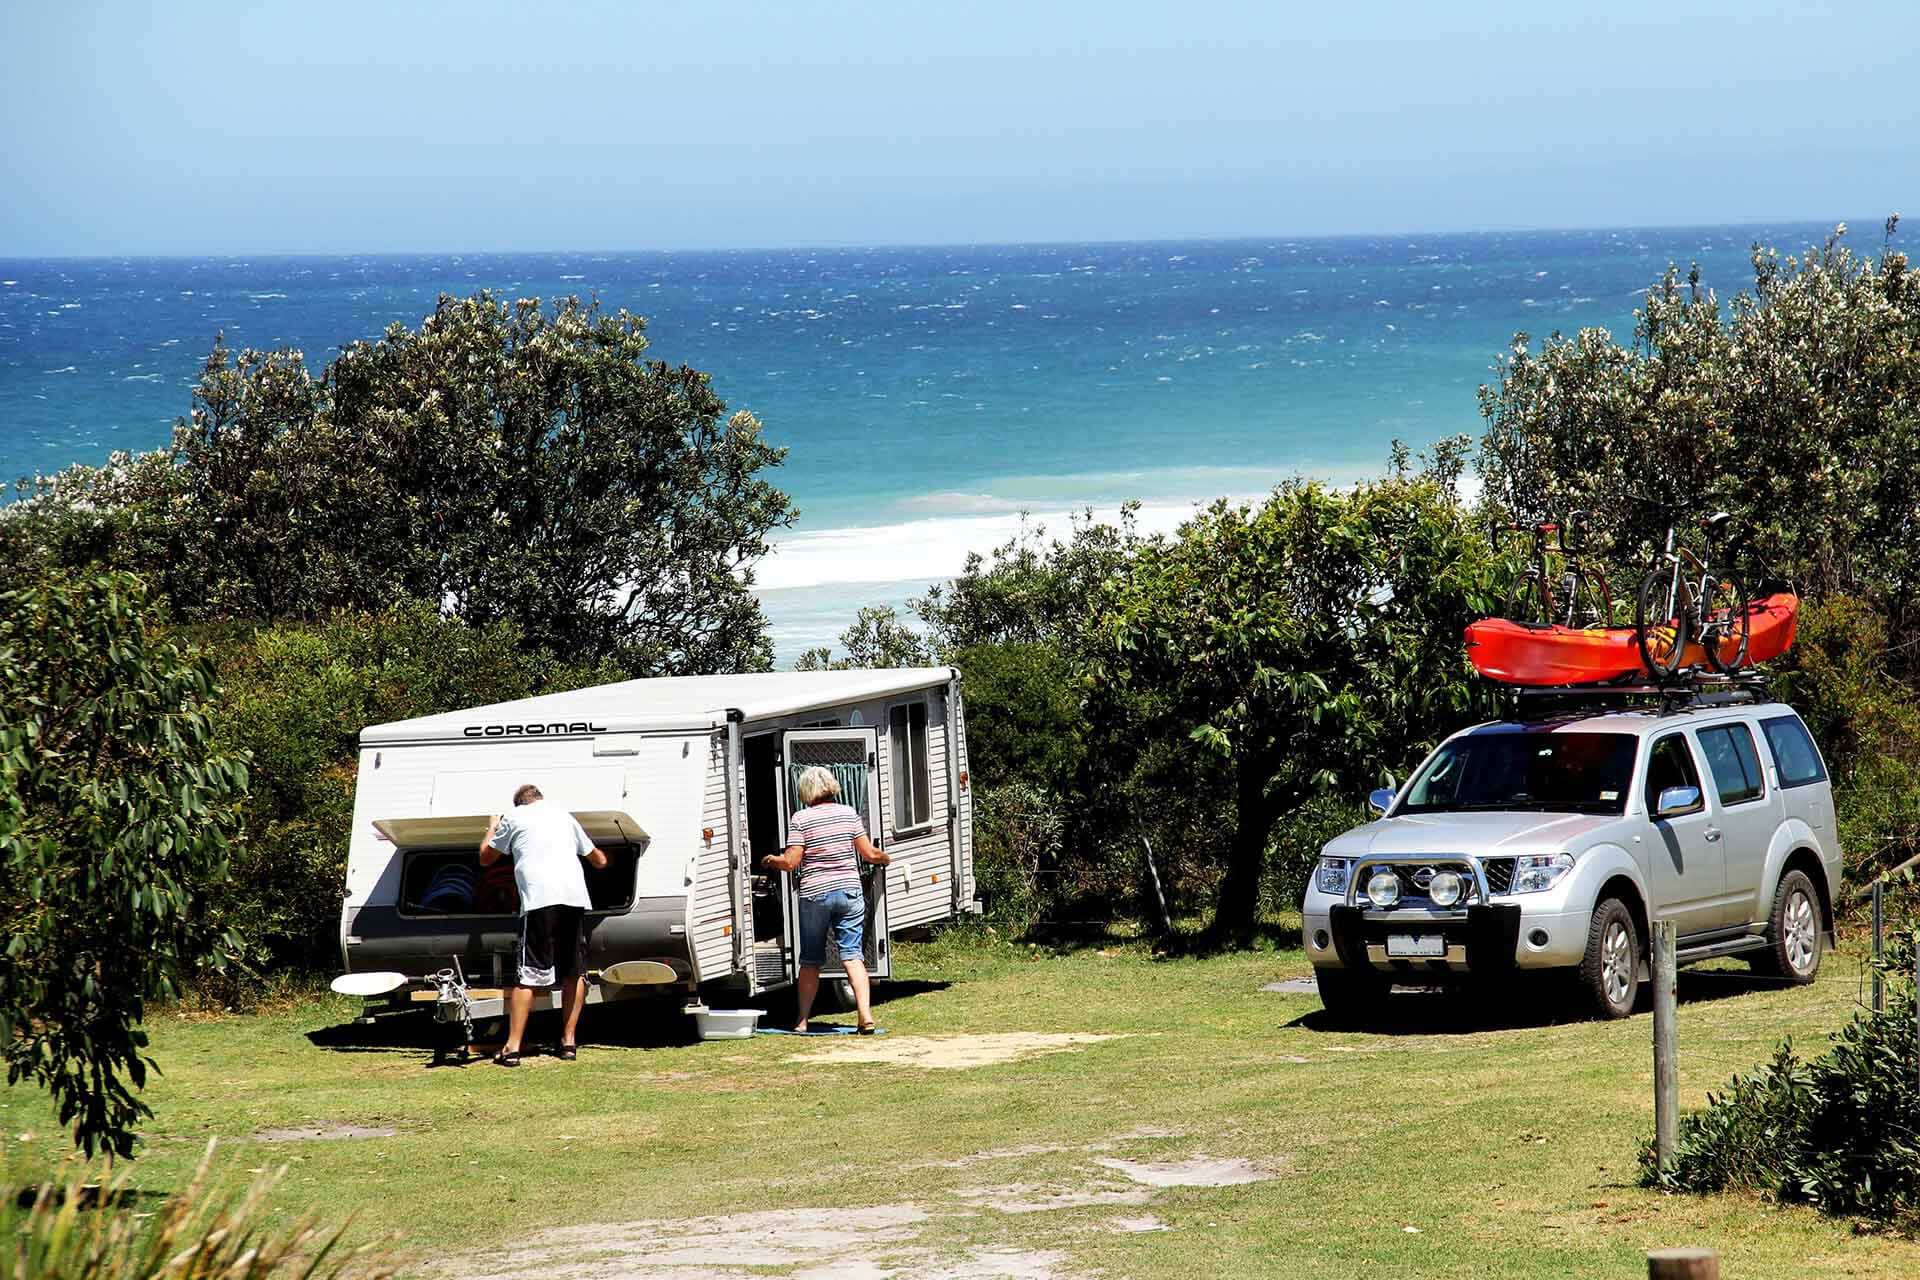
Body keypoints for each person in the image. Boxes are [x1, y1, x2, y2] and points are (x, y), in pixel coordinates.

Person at [479, 784, 608, 1066]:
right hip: (574, 900)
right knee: (574, 971)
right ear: (540, 798)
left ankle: (512, 1047)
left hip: (539, 901)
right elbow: (600, 861)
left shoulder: (513, 817)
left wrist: (492, 827)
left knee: (527, 975)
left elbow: (485, 857)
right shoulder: (565, 816)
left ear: (518, 803)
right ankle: (569, 1042)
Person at [760, 766, 890, 1033]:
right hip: (849, 892)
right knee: (853, 955)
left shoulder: (801, 818)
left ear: (806, 791)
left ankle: (802, 1020)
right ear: (831, 786)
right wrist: (884, 858)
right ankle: (865, 1015)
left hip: (815, 894)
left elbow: (791, 862)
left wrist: (772, 860)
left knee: (810, 960)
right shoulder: (848, 814)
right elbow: (868, 854)